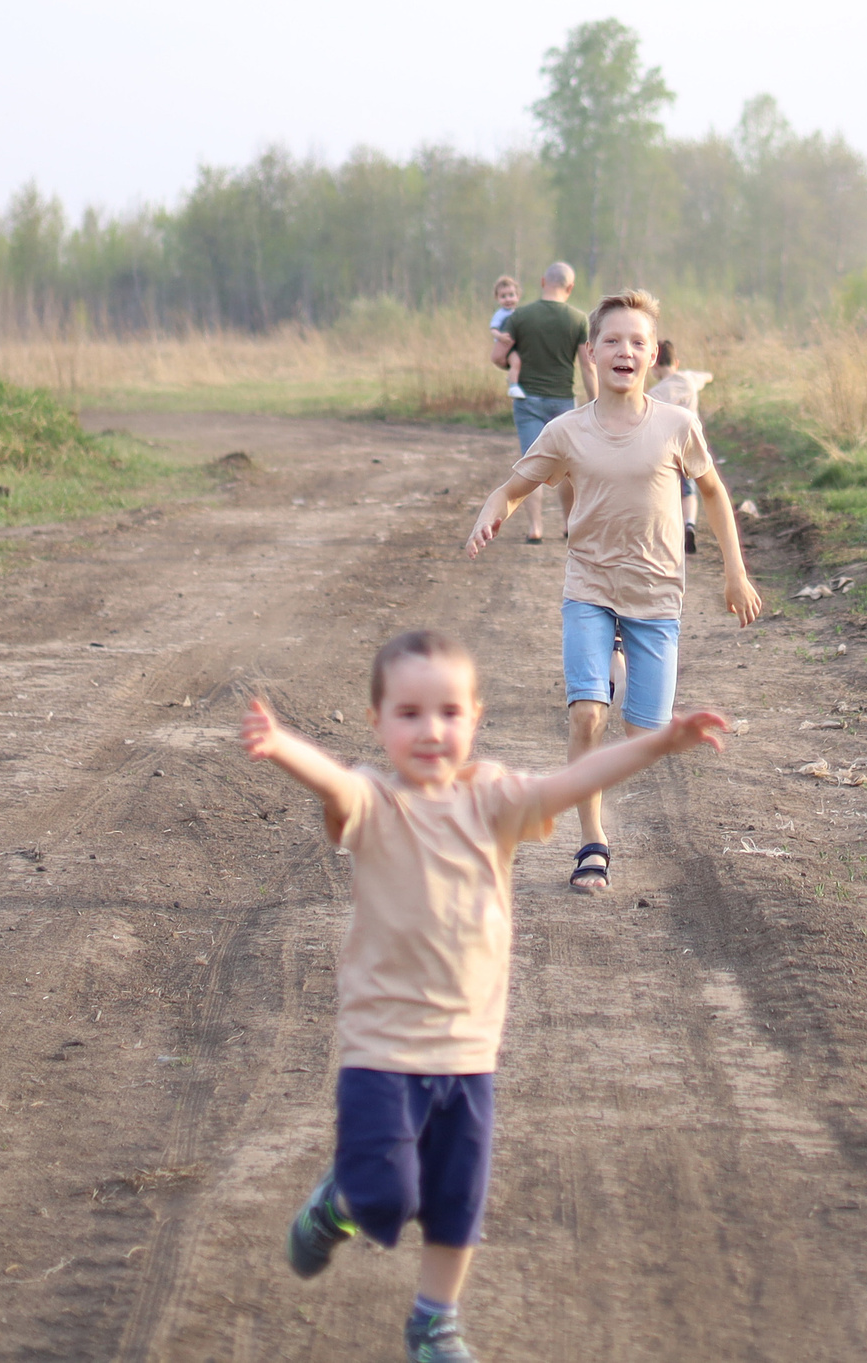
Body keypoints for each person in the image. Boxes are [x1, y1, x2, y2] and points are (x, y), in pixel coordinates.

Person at [244, 629, 729, 1363]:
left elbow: (573, 781)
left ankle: (434, 1320)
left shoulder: (494, 800)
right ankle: (339, 1202)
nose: (430, 729)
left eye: (447, 712)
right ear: (378, 724)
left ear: (474, 717)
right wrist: (281, 745)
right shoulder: (376, 802)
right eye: (408, 713)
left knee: (455, 1203)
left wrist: (660, 742)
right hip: (383, 1050)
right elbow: (337, 784)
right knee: (385, 1197)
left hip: (470, 1052)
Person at [465, 290, 762, 893]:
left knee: (644, 737)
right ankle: (591, 844)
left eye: (637, 341)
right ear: (591, 354)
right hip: (590, 588)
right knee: (586, 717)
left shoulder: (677, 425)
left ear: (653, 355)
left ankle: (620, 667)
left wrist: (736, 571)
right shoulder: (565, 431)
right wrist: (491, 511)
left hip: (655, 597)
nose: (624, 350)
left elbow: (712, 493)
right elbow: (515, 487)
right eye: (612, 340)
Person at [490, 264, 592, 546]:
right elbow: (587, 366)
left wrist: (514, 362)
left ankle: (535, 528)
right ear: (569, 288)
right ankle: (569, 524)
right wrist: (597, 404)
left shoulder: (519, 316)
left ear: (543, 281)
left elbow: (497, 356)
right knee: (568, 466)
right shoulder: (578, 319)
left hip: (528, 400)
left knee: (531, 464)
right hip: (564, 401)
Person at [644, 338, 714, 555]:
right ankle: (689, 524)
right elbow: (706, 376)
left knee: (667, 488)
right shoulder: (689, 379)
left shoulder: (655, 394)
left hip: (667, 446)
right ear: (677, 362)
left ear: (653, 364)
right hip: (691, 443)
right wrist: (709, 377)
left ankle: (665, 533)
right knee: (689, 490)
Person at [484, 275, 523, 410]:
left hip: (515, 344)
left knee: (519, 364)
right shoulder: (500, 314)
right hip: (506, 347)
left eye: (511, 295)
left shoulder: (517, 312)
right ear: (497, 298)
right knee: (516, 362)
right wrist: (500, 336)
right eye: (503, 296)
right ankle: (513, 386)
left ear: (517, 296)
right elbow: (493, 329)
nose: (508, 299)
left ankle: (513, 379)